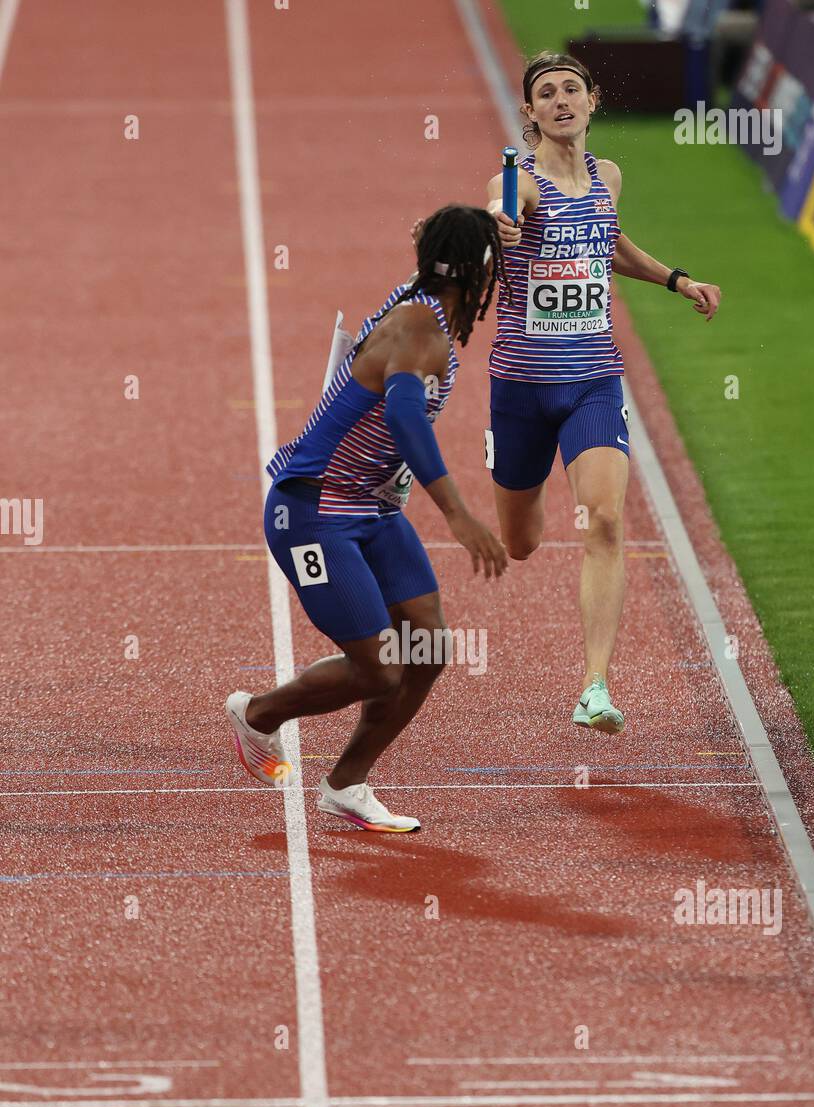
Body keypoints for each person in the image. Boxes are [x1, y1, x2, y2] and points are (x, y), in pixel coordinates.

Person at [226, 205, 508, 832]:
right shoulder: (418, 330)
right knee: (378, 665)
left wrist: (492, 223)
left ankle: (346, 783)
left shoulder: (426, 301)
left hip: (372, 510)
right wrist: (459, 516)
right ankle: (261, 713)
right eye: (494, 262)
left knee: (428, 646)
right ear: (477, 271)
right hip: (313, 509)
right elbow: (407, 420)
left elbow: (454, 236)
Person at [485, 51, 722, 733]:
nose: (560, 100)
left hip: (593, 378)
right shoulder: (519, 182)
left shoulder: (606, 176)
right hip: (522, 388)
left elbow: (607, 243)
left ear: (592, 102)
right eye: (545, 94)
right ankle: (501, 463)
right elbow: (499, 214)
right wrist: (492, 227)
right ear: (529, 114)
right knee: (522, 541)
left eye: (571, 90)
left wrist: (676, 280)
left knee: (608, 520)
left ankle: (594, 685)